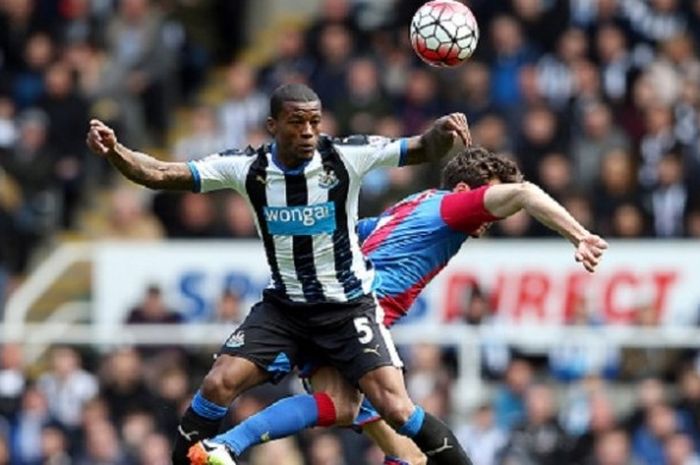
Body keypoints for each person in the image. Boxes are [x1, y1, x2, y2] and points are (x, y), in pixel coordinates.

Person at [86, 82, 474, 465]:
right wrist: (116, 152)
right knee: (219, 382)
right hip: (285, 308)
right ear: (272, 125)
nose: (307, 132)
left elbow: (420, 148)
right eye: (296, 122)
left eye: (314, 122)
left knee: (395, 409)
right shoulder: (247, 168)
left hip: (347, 308)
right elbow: (160, 173)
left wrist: (440, 132)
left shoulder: (346, 157)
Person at [191, 146, 608, 465]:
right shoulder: (452, 207)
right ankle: (228, 443)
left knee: (366, 422)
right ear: (466, 190)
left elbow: (350, 232)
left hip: (321, 308)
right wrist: (579, 235)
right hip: (354, 318)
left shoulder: (414, 203)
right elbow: (525, 194)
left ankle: (224, 445)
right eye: (490, 198)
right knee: (363, 408)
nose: (492, 215)